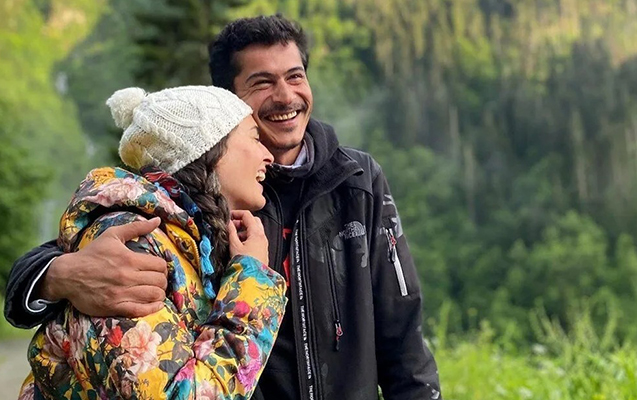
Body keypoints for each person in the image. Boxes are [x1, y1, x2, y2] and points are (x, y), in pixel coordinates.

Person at [6, 15, 442, 400]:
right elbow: (78, 246)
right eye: (262, 82)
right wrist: (59, 276)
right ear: (229, 103)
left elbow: (402, 327)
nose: (286, 96)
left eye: (295, 76)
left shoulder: (356, 180)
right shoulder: (185, 205)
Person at [17, 85, 287, 399]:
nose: (268, 155)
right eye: (254, 137)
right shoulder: (132, 243)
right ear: (211, 150)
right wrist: (253, 282)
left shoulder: (191, 243)